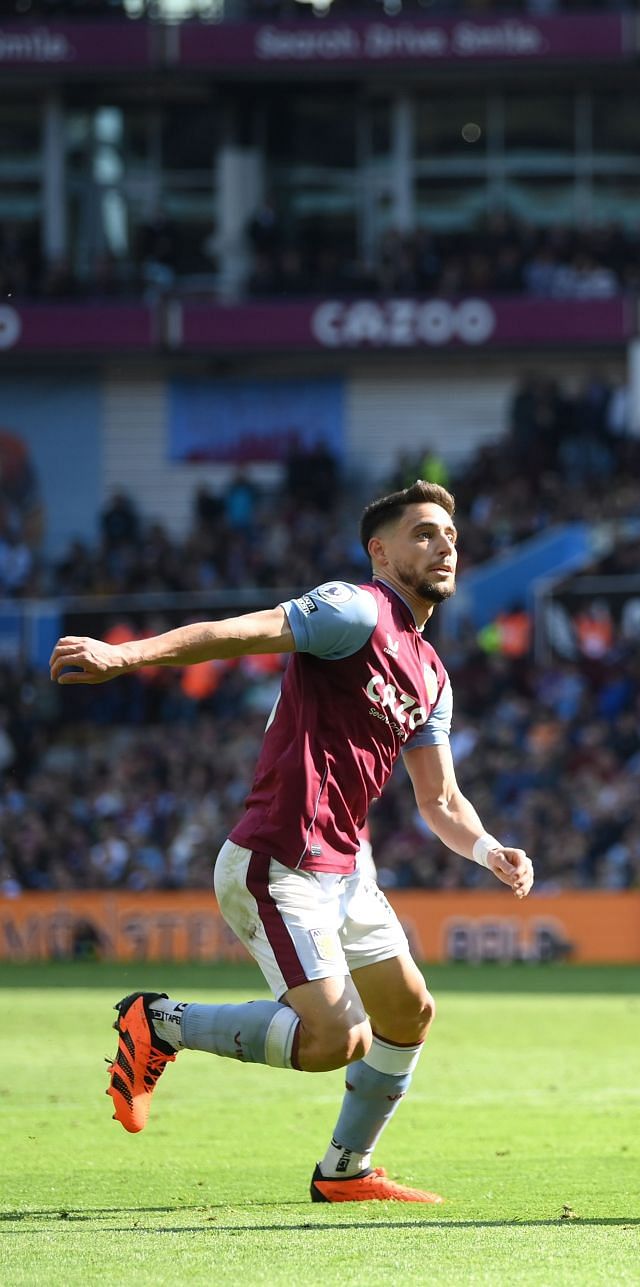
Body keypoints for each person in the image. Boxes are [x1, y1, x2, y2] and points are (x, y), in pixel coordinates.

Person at [49, 481, 535, 1204]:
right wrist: (127, 656)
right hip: (278, 859)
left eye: (450, 536)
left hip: (345, 868)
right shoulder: (355, 608)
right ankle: (157, 1022)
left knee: (409, 1012)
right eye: (424, 533)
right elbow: (243, 630)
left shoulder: (432, 674)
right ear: (381, 549)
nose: (444, 545)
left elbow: (438, 799)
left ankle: (346, 1169)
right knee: (340, 1039)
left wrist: (488, 846)